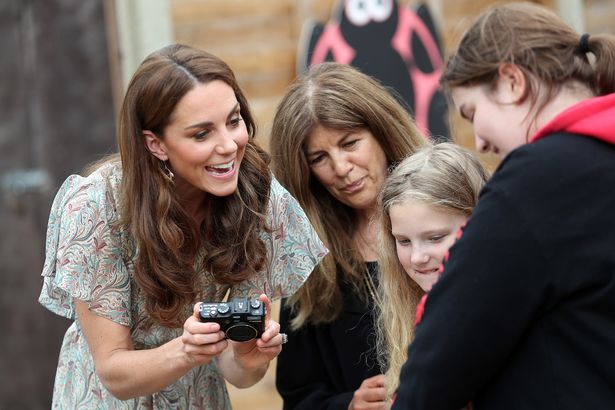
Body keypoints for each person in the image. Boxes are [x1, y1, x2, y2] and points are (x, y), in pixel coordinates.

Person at [38, 43, 327, 409]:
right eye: (201, 134)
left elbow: (239, 373)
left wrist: (247, 356)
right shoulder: (97, 206)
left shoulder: (258, 199)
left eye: (233, 120)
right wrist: (187, 350)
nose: (228, 145)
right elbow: (114, 372)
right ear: (155, 144)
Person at [392, 3, 615, 409]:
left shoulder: (538, 179)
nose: (478, 141)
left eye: (472, 112)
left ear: (512, 82)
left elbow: (444, 348)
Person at [270, 62, 428, 409]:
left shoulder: (449, 214)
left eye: (350, 143)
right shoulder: (310, 259)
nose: (341, 168)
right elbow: (298, 397)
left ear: (382, 132)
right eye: (320, 157)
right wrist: (348, 406)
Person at [374, 142, 489, 403]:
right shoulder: (416, 316)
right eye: (403, 241)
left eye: (435, 238)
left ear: (480, 221)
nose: (418, 257)